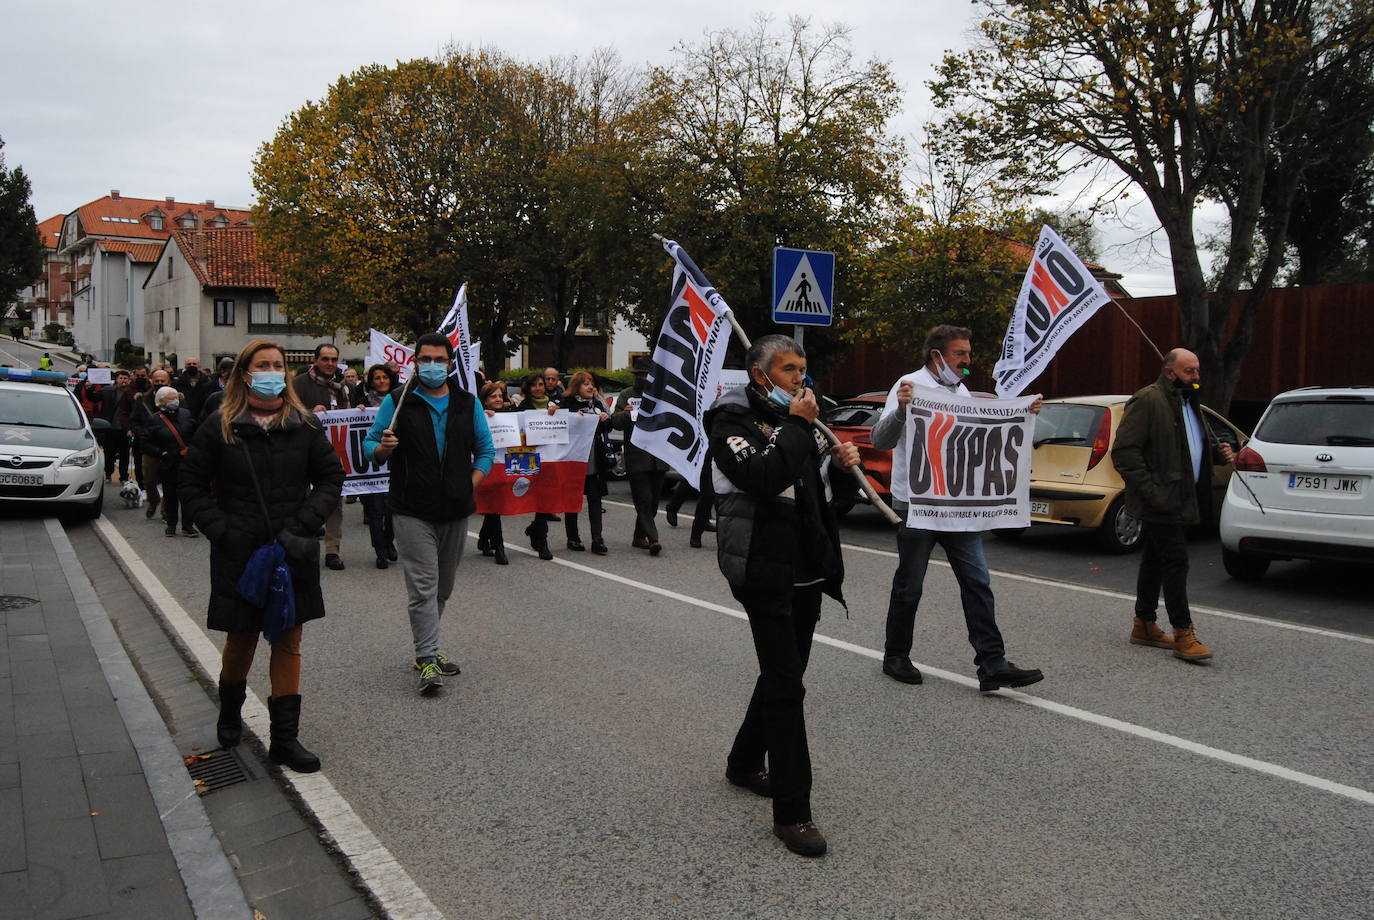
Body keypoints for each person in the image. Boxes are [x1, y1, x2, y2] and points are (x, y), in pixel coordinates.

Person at [707, 334, 860, 858]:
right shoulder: (729, 422)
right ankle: (794, 812)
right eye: (790, 369)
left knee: (784, 674)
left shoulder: (806, 423)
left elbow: (821, 502)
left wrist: (841, 471)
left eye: (803, 367)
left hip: (806, 570)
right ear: (760, 375)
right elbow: (763, 476)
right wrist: (797, 426)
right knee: (786, 688)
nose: (801, 378)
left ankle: (743, 763)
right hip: (761, 570)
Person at [179, 339, 344, 773]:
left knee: (289, 641)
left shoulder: (304, 426)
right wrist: (222, 531)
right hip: (240, 551)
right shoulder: (220, 426)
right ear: (246, 373)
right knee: (242, 638)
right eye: (263, 364)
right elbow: (191, 485)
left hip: (293, 550)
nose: (272, 371)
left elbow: (330, 478)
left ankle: (285, 741)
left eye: (277, 365)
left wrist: (305, 525)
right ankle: (230, 707)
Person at [874, 324, 1045, 692]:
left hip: (958, 506)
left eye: (968, 353)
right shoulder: (909, 385)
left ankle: (992, 664)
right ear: (937, 355)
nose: (968, 361)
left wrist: (1022, 413)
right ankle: (895, 655)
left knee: (977, 581)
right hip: (917, 505)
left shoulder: (962, 391)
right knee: (910, 585)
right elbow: (880, 439)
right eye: (960, 354)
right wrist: (903, 410)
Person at [365, 333, 495, 694]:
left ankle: (427, 647)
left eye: (439, 360)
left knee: (444, 586)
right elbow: (371, 444)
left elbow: (486, 449)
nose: (432, 366)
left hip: (455, 509)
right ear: (415, 362)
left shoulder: (467, 403)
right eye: (425, 359)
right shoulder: (398, 400)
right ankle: (427, 658)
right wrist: (383, 448)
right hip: (411, 508)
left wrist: (471, 482)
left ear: (450, 364)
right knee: (423, 585)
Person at [1112, 348, 1233, 662]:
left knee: (1154, 559)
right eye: (1189, 372)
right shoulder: (1148, 400)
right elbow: (1125, 452)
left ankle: (1144, 624)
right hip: (1161, 500)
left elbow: (1192, 445)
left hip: (1183, 496)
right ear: (1170, 372)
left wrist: (1221, 451)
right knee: (1176, 561)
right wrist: (1153, 492)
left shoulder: (1189, 402)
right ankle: (1183, 633)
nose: (1196, 377)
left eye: (1197, 371)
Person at [292, 343, 351, 570]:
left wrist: (361, 410)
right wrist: (308, 414)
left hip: (333, 454)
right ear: (315, 360)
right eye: (325, 359)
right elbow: (286, 414)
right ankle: (301, 543)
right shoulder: (298, 385)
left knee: (334, 501)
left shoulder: (344, 387)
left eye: (334, 359)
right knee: (302, 499)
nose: (330, 364)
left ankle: (332, 550)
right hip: (303, 452)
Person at [610, 356, 671, 555]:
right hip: (637, 457)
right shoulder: (627, 395)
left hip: (658, 457)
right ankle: (653, 539)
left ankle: (638, 536)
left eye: (647, 375)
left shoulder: (662, 395)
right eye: (641, 375)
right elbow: (614, 421)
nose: (644, 378)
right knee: (643, 500)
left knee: (653, 502)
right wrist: (625, 414)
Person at [559, 372, 612, 555]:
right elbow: (559, 424)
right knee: (572, 499)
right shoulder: (567, 404)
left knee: (595, 501)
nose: (590, 387)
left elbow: (608, 427)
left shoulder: (596, 403)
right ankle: (573, 537)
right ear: (576, 387)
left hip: (594, 460)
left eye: (592, 384)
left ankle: (597, 539)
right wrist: (574, 417)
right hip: (574, 460)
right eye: (586, 384)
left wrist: (605, 417)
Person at [356, 364, 399, 568]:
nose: (381, 381)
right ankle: (380, 551)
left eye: (384, 377)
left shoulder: (400, 401)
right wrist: (358, 411)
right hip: (372, 465)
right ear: (371, 382)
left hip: (394, 463)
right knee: (375, 511)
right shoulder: (363, 402)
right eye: (377, 378)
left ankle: (389, 541)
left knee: (392, 510)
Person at [142, 386, 198, 536]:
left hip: (187, 462)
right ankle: (171, 524)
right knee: (170, 495)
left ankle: (188, 526)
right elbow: (145, 442)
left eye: (177, 398)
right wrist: (161, 453)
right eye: (172, 398)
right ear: (161, 401)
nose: (175, 401)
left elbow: (195, 433)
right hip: (168, 463)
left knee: (187, 495)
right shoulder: (153, 420)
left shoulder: (186, 414)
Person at [516, 372, 560, 560]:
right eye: (534, 385)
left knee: (544, 497)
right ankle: (536, 531)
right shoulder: (523, 407)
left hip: (550, 458)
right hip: (530, 457)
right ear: (528, 387)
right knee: (528, 495)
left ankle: (541, 538)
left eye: (541, 384)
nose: (538, 388)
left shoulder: (555, 405)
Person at [475, 381, 512, 565]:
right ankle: (499, 547)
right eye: (493, 396)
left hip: (505, 464)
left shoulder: (510, 414)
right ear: (485, 400)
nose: (497, 399)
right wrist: (482, 416)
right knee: (494, 506)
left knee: (494, 506)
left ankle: (483, 538)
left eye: (500, 396)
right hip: (487, 465)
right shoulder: (478, 416)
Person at [133, 367, 173, 520]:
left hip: (170, 446)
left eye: (162, 381)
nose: (159, 383)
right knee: (149, 480)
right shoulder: (142, 400)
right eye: (156, 381)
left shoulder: (176, 399)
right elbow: (134, 420)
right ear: (151, 381)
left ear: (168, 382)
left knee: (168, 480)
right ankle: (153, 500)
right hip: (149, 446)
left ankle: (166, 510)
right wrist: (142, 432)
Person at [664, 468, 717, 548]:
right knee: (697, 483)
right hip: (704, 458)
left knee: (707, 487)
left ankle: (704, 521)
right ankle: (696, 533)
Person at [99, 369, 131, 482]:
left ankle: (123, 476)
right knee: (109, 453)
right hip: (110, 427)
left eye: (125, 378)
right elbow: (94, 397)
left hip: (124, 428)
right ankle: (108, 473)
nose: (123, 380)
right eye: (121, 378)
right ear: (116, 379)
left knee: (124, 454)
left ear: (129, 380)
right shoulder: (108, 390)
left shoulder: (131, 392)